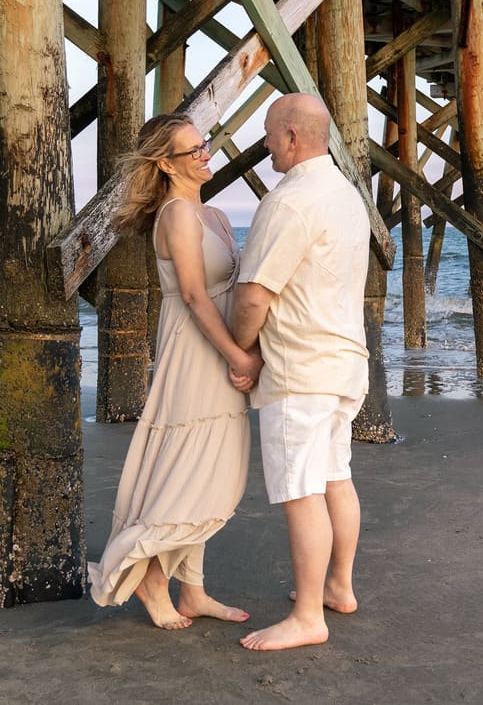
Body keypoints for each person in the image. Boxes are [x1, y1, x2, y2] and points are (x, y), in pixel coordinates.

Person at [88, 113, 262, 629]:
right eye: (194, 150)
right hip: (195, 349)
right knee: (191, 468)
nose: (206, 154)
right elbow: (191, 295)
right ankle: (147, 575)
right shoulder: (176, 216)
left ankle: (194, 591)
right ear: (165, 163)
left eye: (204, 145)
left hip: (222, 342)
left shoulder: (215, 217)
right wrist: (236, 354)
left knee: (216, 466)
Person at [230, 93, 370, 651]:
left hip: (299, 368)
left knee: (302, 491)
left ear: (291, 136)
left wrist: (241, 352)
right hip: (345, 363)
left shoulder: (289, 201)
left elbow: (254, 296)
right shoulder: (345, 194)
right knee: (336, 477)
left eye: (268, 133)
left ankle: (310, 616)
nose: (265, 144)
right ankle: (338, 586)